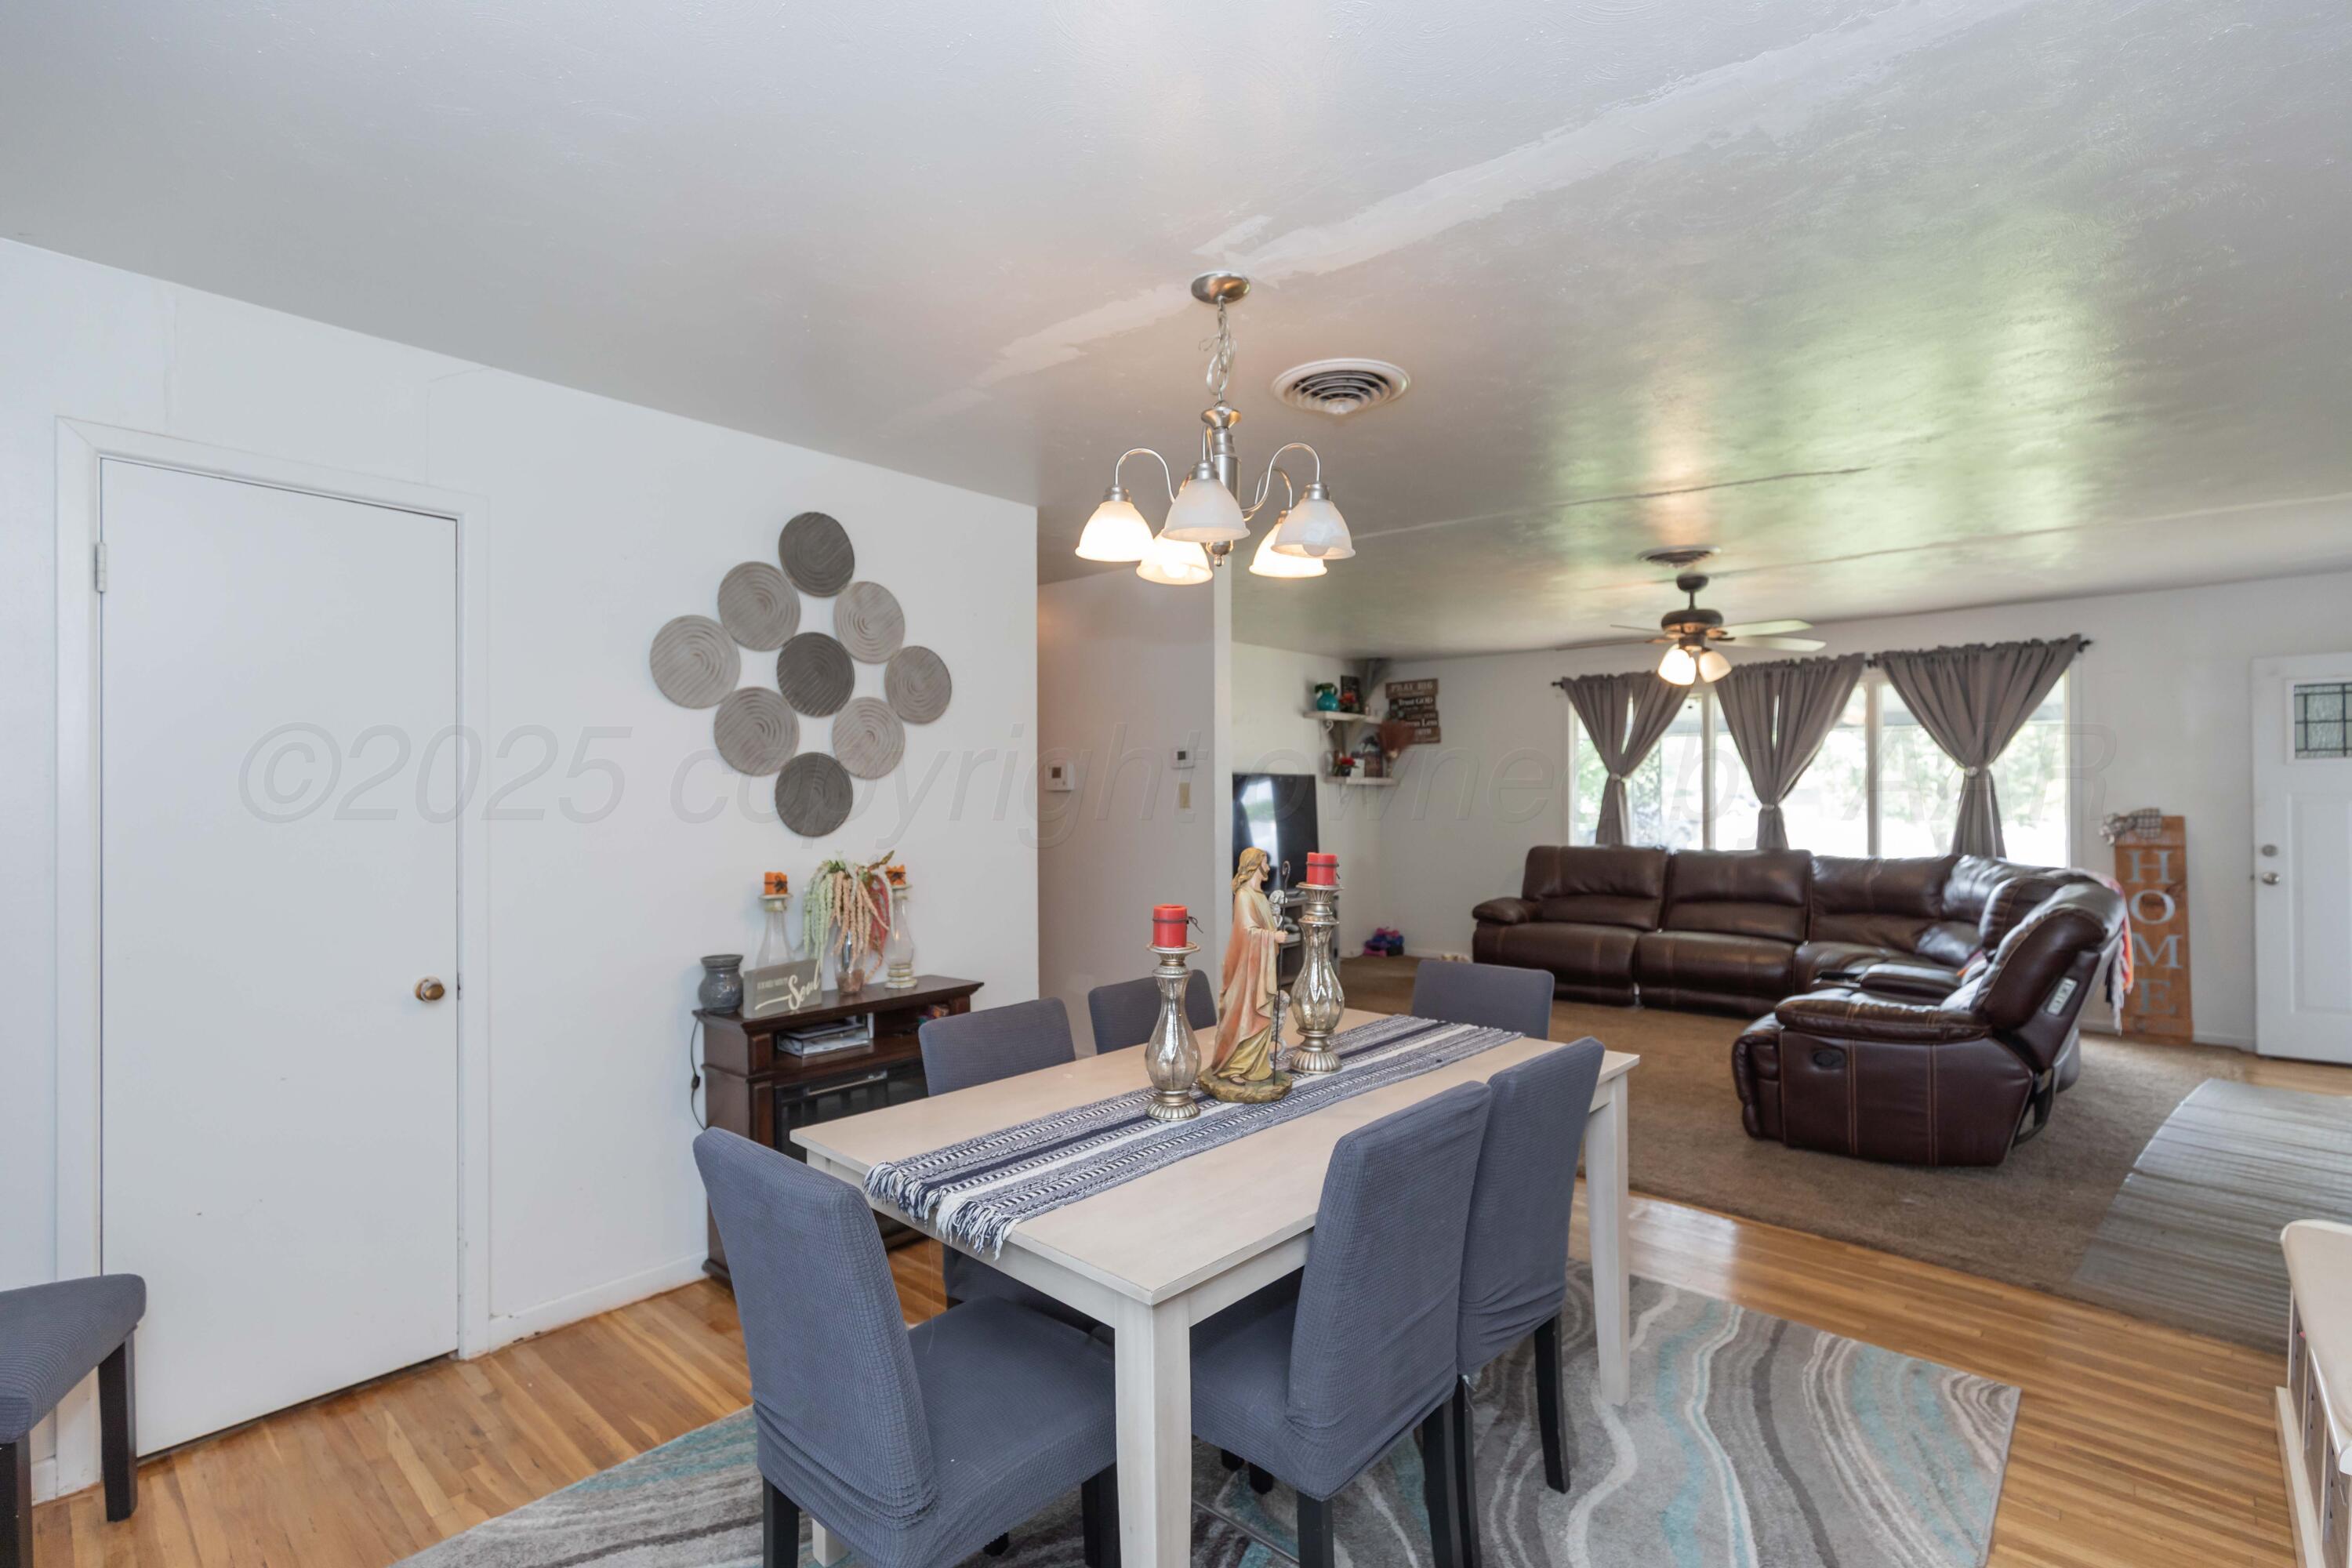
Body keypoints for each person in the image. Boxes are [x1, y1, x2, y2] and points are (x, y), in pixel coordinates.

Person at [1207, 847, 1286, 1090]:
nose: (1268, 868)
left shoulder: (1260, 897)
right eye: (1264, 862)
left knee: (1262, 1015)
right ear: (1254, 866)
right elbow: (1246, 932)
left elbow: (1265, 926)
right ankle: (1234, 1066)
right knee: (1245, 1014)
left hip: (1261, 968)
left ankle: (1254, 1067)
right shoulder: (1244, 896)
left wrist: (1275, 930)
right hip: (1246, 970)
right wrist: (1273, 938)